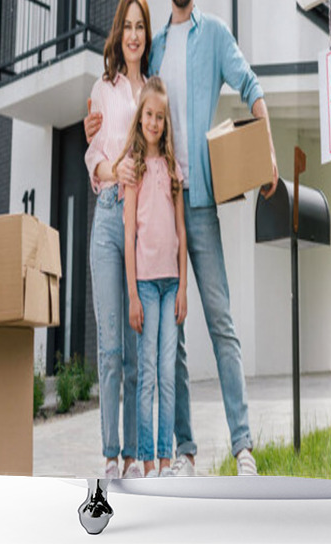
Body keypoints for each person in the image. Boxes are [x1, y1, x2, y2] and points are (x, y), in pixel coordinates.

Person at [86, 0, 278, 477]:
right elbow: (127, 112)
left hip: (199, 205)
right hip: (156, 206)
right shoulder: (156, 52)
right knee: (172, 337)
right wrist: (92, 124)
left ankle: (242, 446)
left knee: (219, 319)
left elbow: (249, 82)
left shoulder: (213, 34)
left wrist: (265, 144)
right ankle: (186, 451)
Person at [84, 0, 152, 480]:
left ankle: (133, 456)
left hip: (142, 221)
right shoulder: (102, 89)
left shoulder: (152, 91)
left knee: (133, 349)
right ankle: (111, 455)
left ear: (147, 37)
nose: (132, 35)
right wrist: (112, 165)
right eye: (126, 26)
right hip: (108, 216)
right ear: (118, 33)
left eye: (140, 27)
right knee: (109, 347)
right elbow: (91, 154)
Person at [115, 77, 188, 479]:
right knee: (146, 377)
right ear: (140, 117)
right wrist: (132, 296)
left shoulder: (174, 171)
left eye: (161, 116)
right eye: (149, 115)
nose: (155, 122)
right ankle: (144, 460)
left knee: (167, 375)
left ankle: (164, 459)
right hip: (144, 285)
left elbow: (181, 234)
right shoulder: (134, 171)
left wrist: (184, 289)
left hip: (171, 285)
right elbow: (129, 236)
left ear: (166, 121)